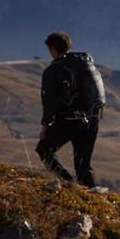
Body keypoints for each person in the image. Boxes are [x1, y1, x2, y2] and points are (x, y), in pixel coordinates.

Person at [35, 32, 104, 186]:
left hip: (69, 120)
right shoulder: (83, 65)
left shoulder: (53, 70)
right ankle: (93, 199)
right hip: (92, 120)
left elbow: (49, 101)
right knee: (83, 166)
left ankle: (67, 183)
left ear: (52, 49)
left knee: (44, 149)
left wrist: (45, 125)